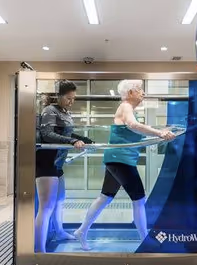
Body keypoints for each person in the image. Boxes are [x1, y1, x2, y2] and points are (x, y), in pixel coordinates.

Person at [74, 79, 175, 251]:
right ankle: (145, 241)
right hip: (121, 160)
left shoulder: (128, 109)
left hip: (117, 159)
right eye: (139, 89)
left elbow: (135, 133)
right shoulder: (126, 106)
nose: (143, 93)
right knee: (139, 199)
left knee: (105, 197)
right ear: (130, 93)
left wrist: (162, 135)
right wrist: (159, 132)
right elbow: (133, 125)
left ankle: (81, 231)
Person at [35, 80, 94, 253]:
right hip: (46, 162)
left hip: (58, 162)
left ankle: (59, 232)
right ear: (58, 96)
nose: (71, 101)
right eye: (68, 98)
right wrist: (73, 141)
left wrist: (83, 138)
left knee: (60, 200)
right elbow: (47, 134)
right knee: (46, 207)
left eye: (73, 98)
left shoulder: (64, 111)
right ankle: (39, 251)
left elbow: (65, 132)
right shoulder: (49, 111)